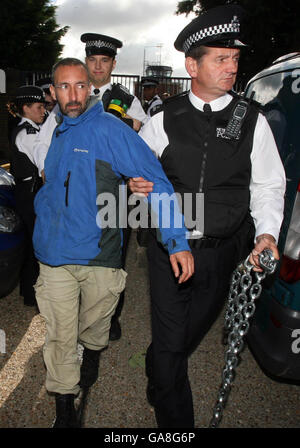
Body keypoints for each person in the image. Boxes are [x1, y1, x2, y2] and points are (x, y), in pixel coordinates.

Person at [128, 4, 286, 427]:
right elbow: (138, 175)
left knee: (179, 341)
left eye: (235, 59)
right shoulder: (163, 119)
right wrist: (135, 186)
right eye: (221, 59)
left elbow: (269, 185)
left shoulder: (251, 120)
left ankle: (160, 367)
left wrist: (266, 235)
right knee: (170, 350)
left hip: (220, 254)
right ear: (191, 65)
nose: (232, 67)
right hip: (169, 249)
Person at [32, 57, 194, 428]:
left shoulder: (111, 130)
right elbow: (46, 173)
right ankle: (63, 403)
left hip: (99, 252)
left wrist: (176, 240)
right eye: (64, 87)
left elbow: (156, 183)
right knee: (59, 333)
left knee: (95, 322)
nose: (72, 95)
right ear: (53, 92)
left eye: (79, 85)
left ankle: (92, 350)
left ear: (89, 88)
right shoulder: (48, 129)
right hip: (53, 251)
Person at [7, 86, 46, 307]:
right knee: (35, 243)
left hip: (28, 193)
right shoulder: (28, 134)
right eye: (39, 107)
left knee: (32, 244)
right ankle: (32, 294)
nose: (43, 111)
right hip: (30, 195)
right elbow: (44, 166)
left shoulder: (29, 129)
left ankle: (29, 293)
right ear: (26, 108)